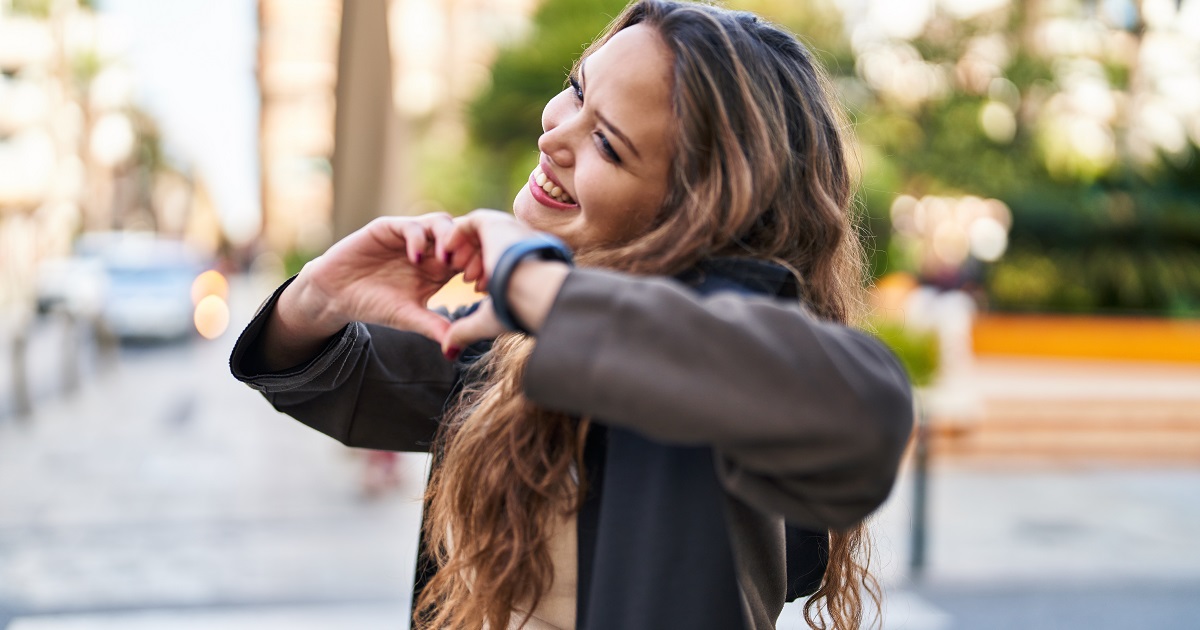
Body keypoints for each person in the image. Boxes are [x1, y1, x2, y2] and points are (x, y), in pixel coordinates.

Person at [230, 1, 914, 628]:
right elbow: (337, 377)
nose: (555, 135)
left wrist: (531, 281)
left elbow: (862, 418)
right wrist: (321, 295)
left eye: (609, 145)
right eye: (580, 89)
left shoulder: (718, 369)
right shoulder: (522, 340)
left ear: (697, 210)